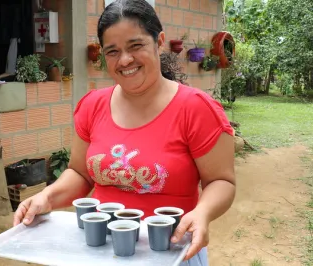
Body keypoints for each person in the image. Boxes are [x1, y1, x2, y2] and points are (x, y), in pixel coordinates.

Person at [13, 0, 235, 264]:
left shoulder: (196, 109)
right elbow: (80, 173)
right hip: (102, 250)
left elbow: (222, 182)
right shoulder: (93, 106)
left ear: (159, 41)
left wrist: (203, 213)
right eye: (112, 51)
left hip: (170, 251)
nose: (125, 60)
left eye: (135, 46)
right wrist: (46, 196)